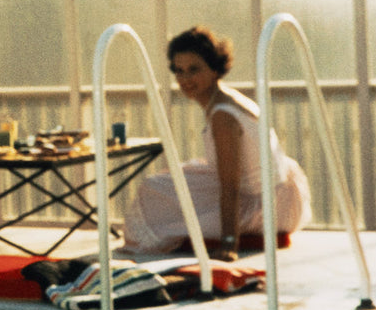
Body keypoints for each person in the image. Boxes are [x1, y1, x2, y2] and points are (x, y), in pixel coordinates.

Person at [121, 25, 311, 261]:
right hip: (277, 191)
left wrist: (229, 244)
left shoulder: (223, 114)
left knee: (154, 190)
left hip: (267, 205)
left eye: (194, 69)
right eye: (179, 71)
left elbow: (229, 186)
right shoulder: (224, 98)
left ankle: (230, 233)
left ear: (214, 69)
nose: (185, 79)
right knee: (168, 180)